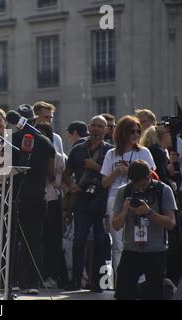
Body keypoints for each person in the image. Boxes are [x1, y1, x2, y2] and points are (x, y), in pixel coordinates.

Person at [112, 160, 177, 300]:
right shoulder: (124, 191)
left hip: (155, 251)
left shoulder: (163, 190)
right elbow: (116, 225)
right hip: (131, 250)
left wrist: (149, 212)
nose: (140, 189)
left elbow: (171, 223)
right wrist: (124, 211)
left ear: (149, 177)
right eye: (136, 185)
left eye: (142, 185)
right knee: (123, 292)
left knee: (154, 294)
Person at [63, 116, 113, 292]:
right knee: (79, 240)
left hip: (101, 199)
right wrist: (72, 185)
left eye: (101, 126)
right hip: (82, 199)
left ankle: (98, 282)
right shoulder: (78, 149)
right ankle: (76, 280)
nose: (97, 129)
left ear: (106, 129)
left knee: (100, 241)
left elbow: (113, 176)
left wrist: (96, 167)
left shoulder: (110, 151)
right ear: (89, 127)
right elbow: (66, 173)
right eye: (94, 126)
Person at [101, 115, 156, 274]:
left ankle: (139, 281)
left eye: (138, 131)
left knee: (140, 240)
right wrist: (117, 171)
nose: (136, 134)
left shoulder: (143, 152)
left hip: (139, 198)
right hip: (115, 198)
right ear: (123, 132)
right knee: (117, 244)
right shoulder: (111, 154)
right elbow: (104, 183)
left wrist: (131, 171)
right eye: (132, 131)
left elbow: (152, 176)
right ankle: (121, 283)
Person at [12, 106, 56, 295]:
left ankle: (13, 280)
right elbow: (52, 174)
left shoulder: (11, 139)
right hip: (37, 196)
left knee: (13, 239)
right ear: (34, 120)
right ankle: (32, 283)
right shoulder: (45, 141)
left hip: (15, 196)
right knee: (34, 240)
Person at [36, 122, 66, 290]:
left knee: (52, 241)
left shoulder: (58, 157)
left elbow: (56, 180)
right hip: (35, 200)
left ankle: (53, 276)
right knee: (37, 240)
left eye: (43, 134)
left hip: (52, 201)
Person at [140, 125, 178, 191]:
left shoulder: (162, 151)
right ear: (164, 135)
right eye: (170, 133)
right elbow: (161, 176)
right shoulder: (156, 151)